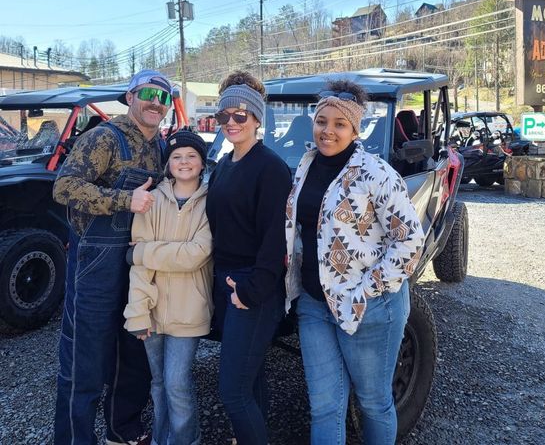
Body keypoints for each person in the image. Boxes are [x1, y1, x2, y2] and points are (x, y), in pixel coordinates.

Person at [284, 80, 425, 445]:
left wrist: (366, 292)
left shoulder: (375, 173)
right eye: (321, 121)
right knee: (325, 406)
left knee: (373, 402)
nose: (327, 131)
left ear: (355, 129)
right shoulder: (305, 165)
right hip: (315, 305)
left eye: (339, 124)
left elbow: (410, 240)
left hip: (370, 307)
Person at [53, 69, 173, 445]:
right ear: (131, 96)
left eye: (165, 97)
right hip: (96, 260)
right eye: (150, 93)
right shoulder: (105, 137)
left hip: (137, 260)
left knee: (132, 350)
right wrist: (124, 199)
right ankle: (74, 439)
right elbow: (64, 187)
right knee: (84, 358)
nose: (157, 102)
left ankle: (121, 430)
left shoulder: (160, 147)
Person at [206, 71, 291, 445]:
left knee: (232, 391)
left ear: (257, 119)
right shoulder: (224, 165)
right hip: (226, 282)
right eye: (223, 116)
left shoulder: (270, 168)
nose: (231, 123)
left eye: (240, 115)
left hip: (252, 288)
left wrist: (251, 290)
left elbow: (277, 238)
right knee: (250, 379)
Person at [124, 130, 213, 445]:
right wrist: (136, 312)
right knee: (159, 383)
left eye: (191, 156)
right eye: (176, 156)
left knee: (176, 382)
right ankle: (164, 438)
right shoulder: (152, 199)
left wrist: (143, 251)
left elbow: (196, 254)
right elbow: (140, 268)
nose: (184, 162)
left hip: (190, 310)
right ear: (168, 163)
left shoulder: (210, 201)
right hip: (151, 309)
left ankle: (187, 440)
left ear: (202, 163)